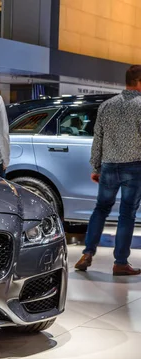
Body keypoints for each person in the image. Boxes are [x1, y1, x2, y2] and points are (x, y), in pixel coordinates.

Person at [74, 65, 141, 276]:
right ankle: (120, 262)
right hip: (134, 167)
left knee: (101, 209)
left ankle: (87, 252)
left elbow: (98, 139)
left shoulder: (106, 105)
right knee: (127, 214)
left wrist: (95, 166)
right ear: (139, 82)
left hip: (109, 167)